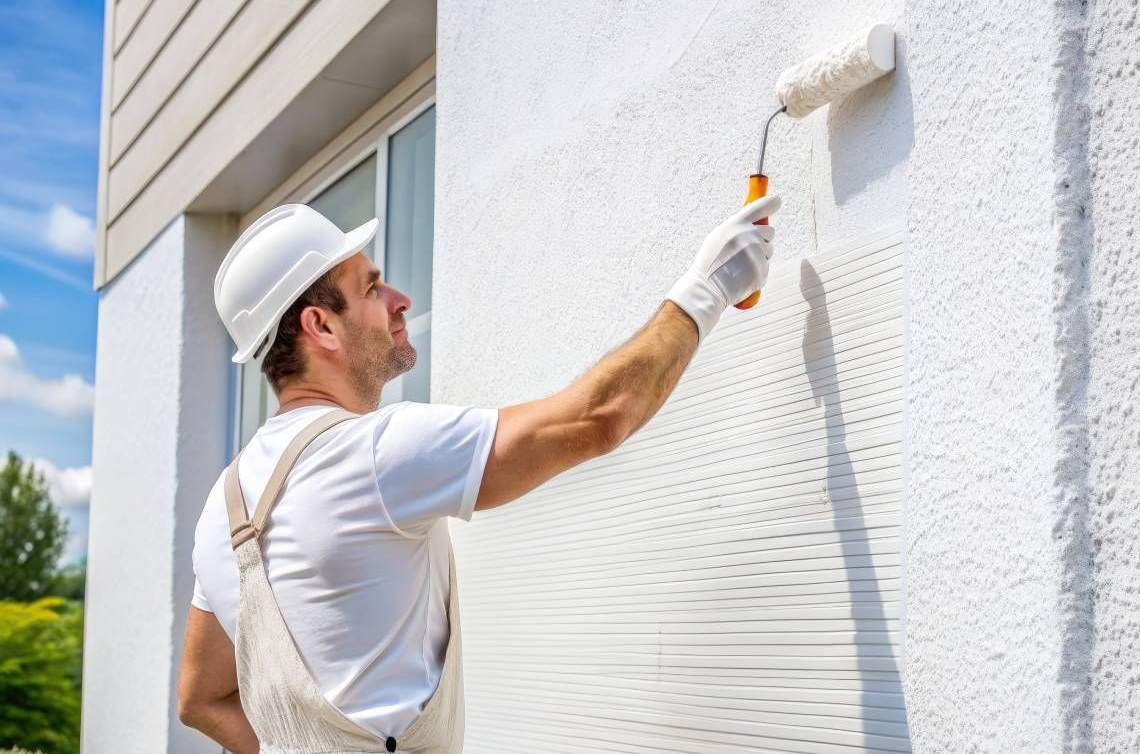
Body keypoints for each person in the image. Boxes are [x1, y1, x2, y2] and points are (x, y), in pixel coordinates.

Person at [178, 195, 779, 753]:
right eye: (371, 288)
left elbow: (201, 699)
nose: (399, 300)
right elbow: (599, 417)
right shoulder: (374, 452)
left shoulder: (220, 507)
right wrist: (706, 289)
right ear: (322, 326)